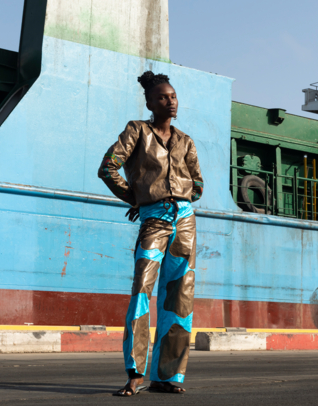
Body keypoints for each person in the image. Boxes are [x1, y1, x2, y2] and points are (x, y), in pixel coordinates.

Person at [98, 71, 204, 396]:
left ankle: (168, 375)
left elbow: (198, 185)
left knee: (180, 296)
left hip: (184, 220)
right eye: (162, 97)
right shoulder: (137, 131)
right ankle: (135, 373)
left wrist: (182, 202)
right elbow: (108, 167)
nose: (170, 102)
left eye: (172, 96)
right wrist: (137, 197)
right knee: (142, 290)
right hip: (154, 219)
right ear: (149, 102)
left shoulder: (186, 141)